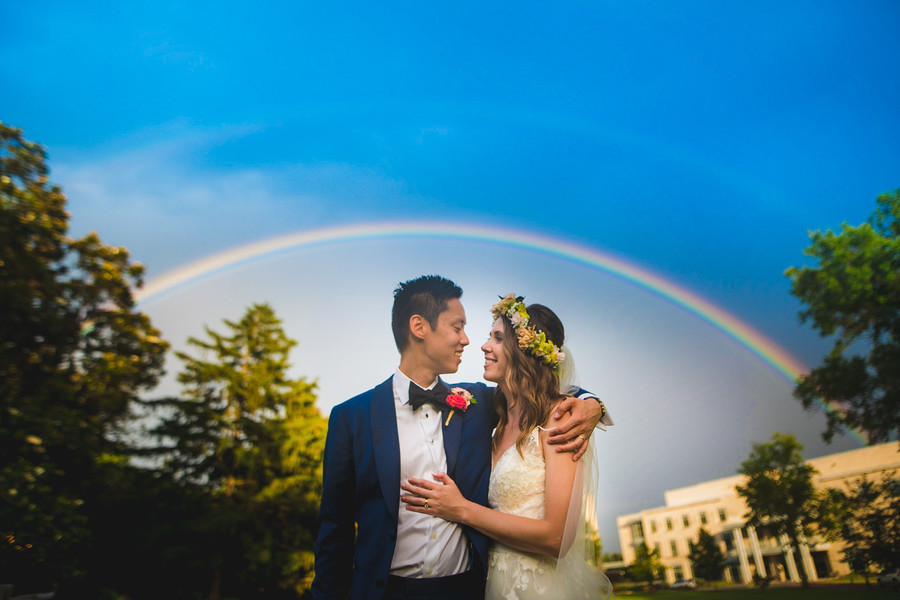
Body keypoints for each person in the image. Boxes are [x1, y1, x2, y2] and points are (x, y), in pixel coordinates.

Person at [312, 277, 607, 600]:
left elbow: (543, 392)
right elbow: (334, 532)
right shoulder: (351, 418)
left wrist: (592, 403)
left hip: (467, 589)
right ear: (419, 327)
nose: (469, 341)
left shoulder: (477, 403)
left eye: (491, 336)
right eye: (457, 327)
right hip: (384, 592)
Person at [400, 294, 614, 600]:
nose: (484, 346)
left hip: (539, 588)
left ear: (525, 350)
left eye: (497, 338)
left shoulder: (561, 421)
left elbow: (557, 538)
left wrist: (460, 508)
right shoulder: (492, 418)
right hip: (489, 585)